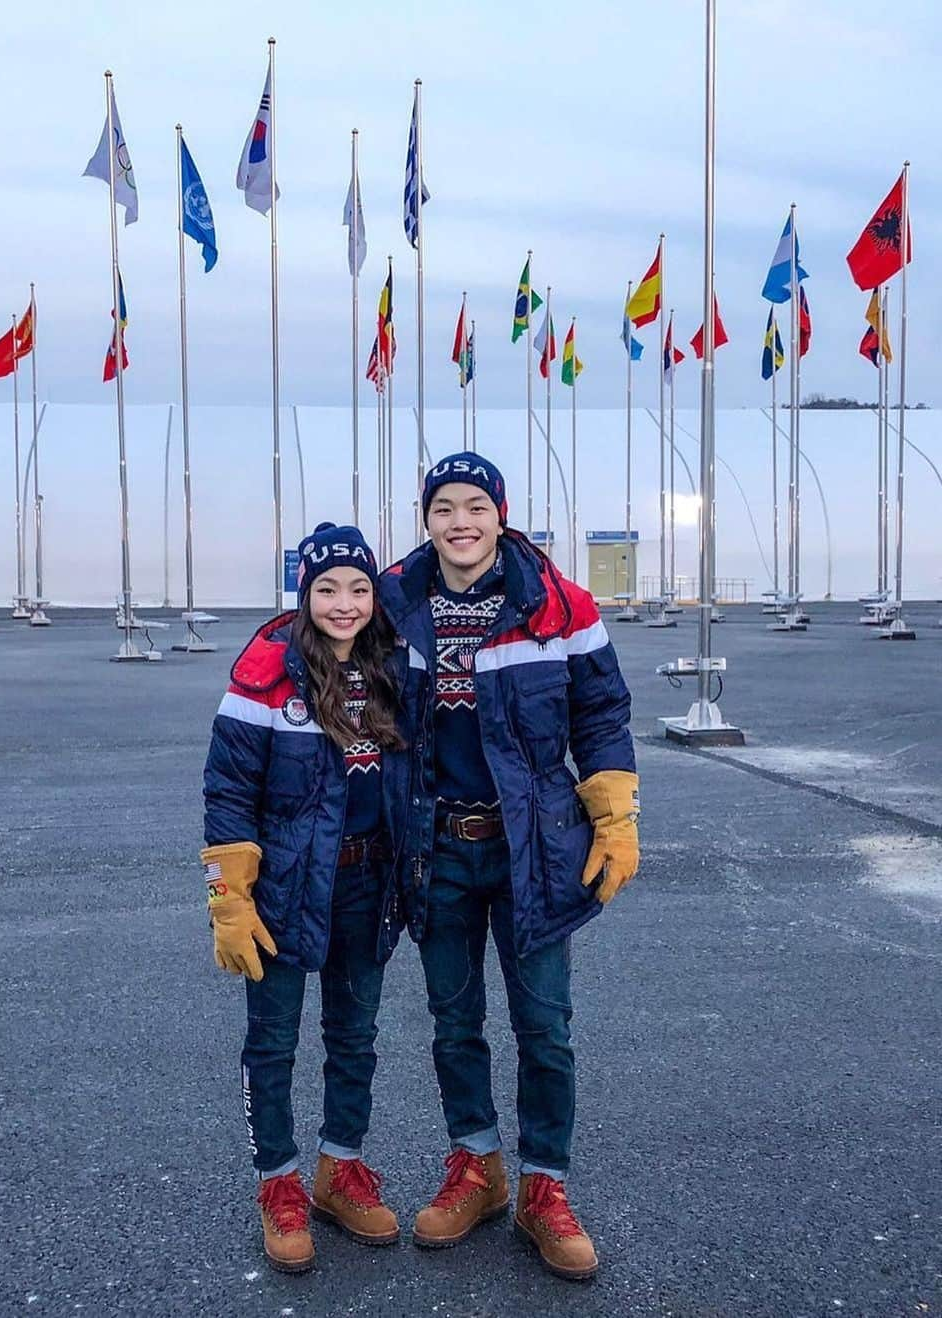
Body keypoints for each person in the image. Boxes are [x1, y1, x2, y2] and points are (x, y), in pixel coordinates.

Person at [378, 453, 640, 1281]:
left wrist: (614, 812)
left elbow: (601, 710)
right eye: (444, 507)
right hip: (436, 847)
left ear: (502, 513)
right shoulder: (391, 604)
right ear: (426, 519)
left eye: (475, 506)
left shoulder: (558, 604)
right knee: (454, 1023)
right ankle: (477, 1168)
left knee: (545, 1030)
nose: (460, 522)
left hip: (533, 849)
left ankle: (544, 1189)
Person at [201, 522, 415, 1273]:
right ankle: (280, 1185)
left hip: (366, 881)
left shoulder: (392, 667)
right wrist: (230, 896)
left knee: (354, 1037)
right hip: (286, 889)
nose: (345, 603)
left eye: (359, 587)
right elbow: (227, 790)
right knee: (273, 1043)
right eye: (327, 588)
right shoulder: (266, 673)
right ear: (304, 593)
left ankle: (339, 1169)